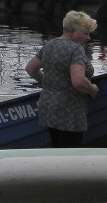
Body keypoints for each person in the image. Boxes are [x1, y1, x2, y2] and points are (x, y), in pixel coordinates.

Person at [25, 10, 100, 147]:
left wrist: (48, 82)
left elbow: (30, 69)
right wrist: (92, 89)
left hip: (48, 106)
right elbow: (78, 81)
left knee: (57, 149)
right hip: (70, 111)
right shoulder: (76, 49)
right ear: (71, 32)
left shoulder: (49, 44)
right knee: (70, 153)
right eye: (85, 33)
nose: (88, 37)